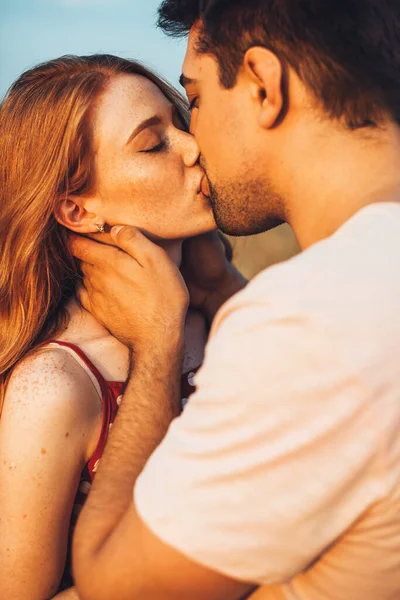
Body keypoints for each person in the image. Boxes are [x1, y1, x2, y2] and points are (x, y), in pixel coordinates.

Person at [71, 1, 400, 599]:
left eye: (193, 101)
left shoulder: (308, 324)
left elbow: (116, 589)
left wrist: (156, 344)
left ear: (263, 85)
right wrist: (222, 291)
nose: (192, 144)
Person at [0, 53, 231, 599]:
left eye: (181, 123)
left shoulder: (222, 311)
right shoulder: (56, 385)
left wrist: (220, 287)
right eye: (153, 145)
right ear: (77, 210)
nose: (193, 147)